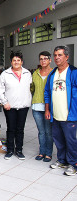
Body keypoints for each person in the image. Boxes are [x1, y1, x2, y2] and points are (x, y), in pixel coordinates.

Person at [44, 46, 77, 176]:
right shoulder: (52, 74)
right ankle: (62, 160)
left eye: (60, 55)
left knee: (71, 141)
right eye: (55, 55)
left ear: (67, 57)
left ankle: (73, 164)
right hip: (55, 115)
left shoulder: (74, 72)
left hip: (70, 115)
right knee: (58, 140)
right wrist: (47, 109)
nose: (57, 57)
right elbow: (47, 92)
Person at [0, 51, 32, 160]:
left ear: (22, 62)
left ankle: (19, 150)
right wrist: (4, 102)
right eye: (14, 60)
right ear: (11, 62)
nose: (16, 62)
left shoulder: (27, 74)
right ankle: (10, 150)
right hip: (9, 106)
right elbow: (0, 90)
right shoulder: (5, 74)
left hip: (23, 106)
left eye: (18, 60)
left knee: (20, 129)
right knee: (11, 128)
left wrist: (28, 100)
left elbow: (32, 88)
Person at [30, 51, 53, 162]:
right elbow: (32, 88)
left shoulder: (54, 73)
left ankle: (48, 153)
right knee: (41, 131)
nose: (43, 60)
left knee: (49, 131)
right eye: (41, 59)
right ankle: (42, 151)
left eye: (45, 58)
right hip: (36, 107)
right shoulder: (35, 73)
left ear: (50, 60)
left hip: (49, 108)